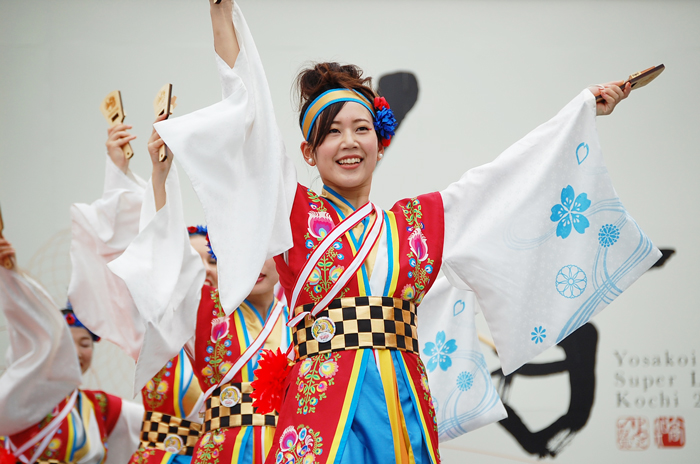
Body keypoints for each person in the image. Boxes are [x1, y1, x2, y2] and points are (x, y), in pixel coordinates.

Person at [146, 1, 662, 463]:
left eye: (361, 128)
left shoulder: (416, 224)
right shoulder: (294, 211)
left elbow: (506, 181)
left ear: (379, 140)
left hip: (402, 409)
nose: (348, 143)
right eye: (331, 133)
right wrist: (222, 11)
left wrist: (580, 111)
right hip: (319, 411)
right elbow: (249, 116)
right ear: (308, 152)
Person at [108, 111, 292, 462]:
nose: (253, 260)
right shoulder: (202, 309)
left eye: (264, 248)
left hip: (290, 450)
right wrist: (161, 176)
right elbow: (165, 259)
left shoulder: (301, 315)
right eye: (236, 249)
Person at [67, 116, 206, 463]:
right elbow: (143, 250)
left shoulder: (248, 326)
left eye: (214, 261)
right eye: (195, 263)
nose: (206, 271)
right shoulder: (157, 327)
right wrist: (129, 174)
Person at [0, 236, 142, 464]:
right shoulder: (23, 395)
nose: (76, 352)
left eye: (85, 344)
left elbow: (158, 427)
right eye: (66, 345)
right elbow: (28, 318)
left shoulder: (100, 407)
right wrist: (10, 273)